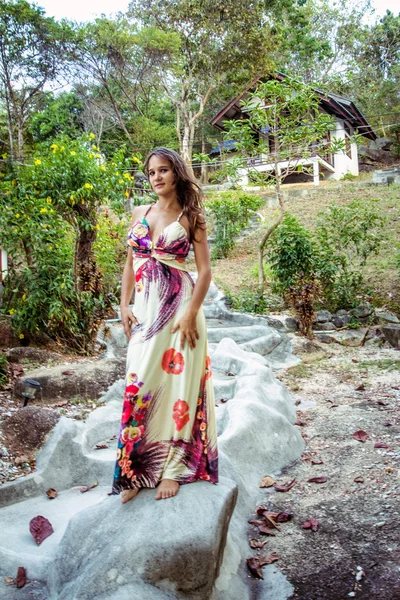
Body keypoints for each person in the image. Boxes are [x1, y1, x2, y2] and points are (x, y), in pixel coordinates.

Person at [111, 147, 218, 503]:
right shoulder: (140, 212)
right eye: (151, 172)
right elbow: (130, 262)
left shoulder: (192, 216)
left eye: (163, 170)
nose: (156, 177)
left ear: (177, 173)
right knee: (138, 383)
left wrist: (191, 313)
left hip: (181, 310)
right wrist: (124, 304)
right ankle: (134, 470)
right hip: (145, 310)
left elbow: (204, 272)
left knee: (178, 389)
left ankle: (172, 468)